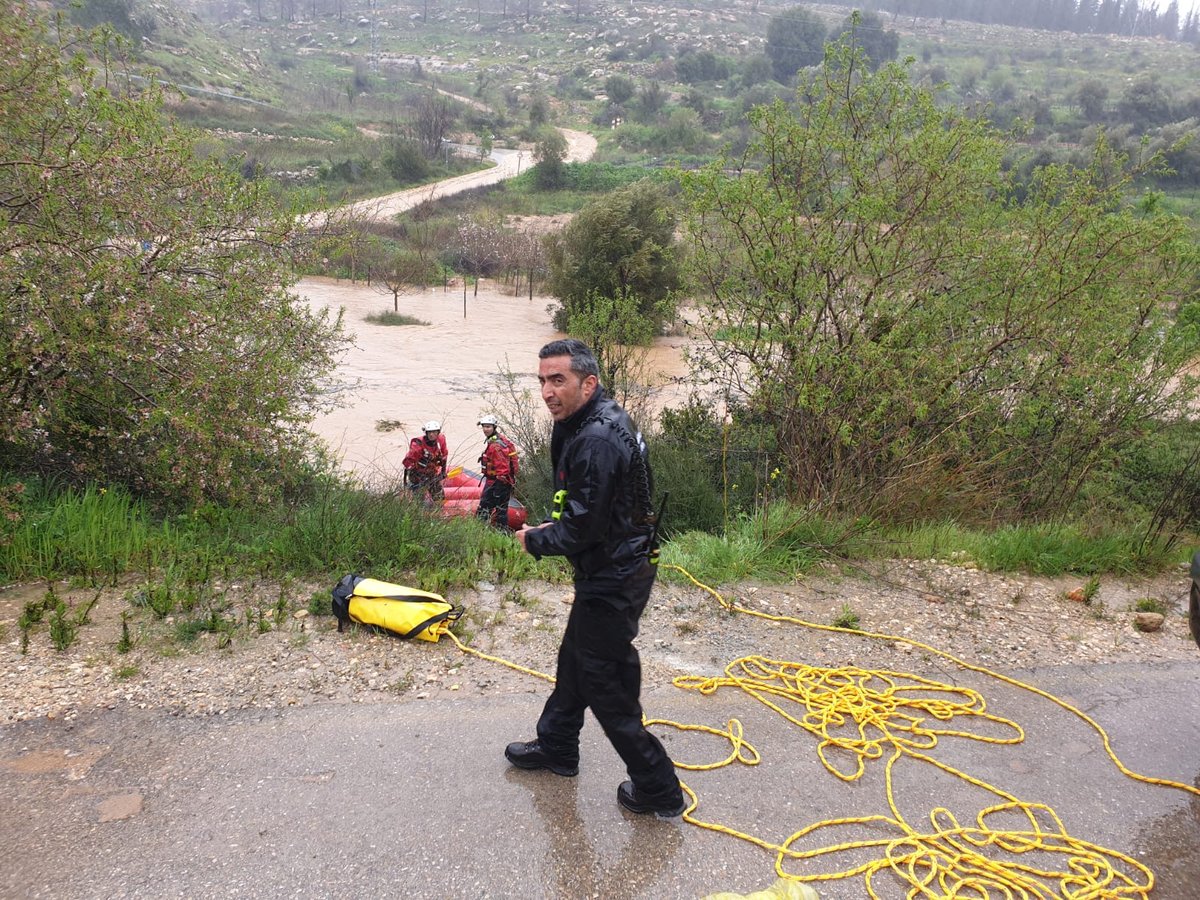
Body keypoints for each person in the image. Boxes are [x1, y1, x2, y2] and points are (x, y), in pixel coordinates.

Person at [505, 339, 685, 820]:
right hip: (615, 563)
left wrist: (536, 539)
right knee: (575, 662)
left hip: (615, 574)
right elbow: (587, 509)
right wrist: (557, 526)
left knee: (606, 683)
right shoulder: (588, 421)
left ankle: (658, 787)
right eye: (542, 380)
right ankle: (558, 746)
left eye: (557, 380)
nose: (547, 391)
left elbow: (580, 528)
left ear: (589, 382)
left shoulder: (597, 438)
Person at [476, 414, 518, 530]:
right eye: (484, 427)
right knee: (501, 510)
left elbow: (502, 469)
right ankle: (501, 533)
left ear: (494, 427)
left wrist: (499, 488)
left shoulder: (496, 445)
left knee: (484, 509)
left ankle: (480, 532)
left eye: (488, 427)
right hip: (503, 482)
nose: (485, 429)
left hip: (496, 482)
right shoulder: (500, 440)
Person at [402, 420, 448, 503]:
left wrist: (443, 472)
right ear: (426, 433)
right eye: (429, 432)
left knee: (439, 496)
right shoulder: (418, 443)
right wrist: (419, 476)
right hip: (417, 474)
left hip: (431, 472)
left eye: (434, 432)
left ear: (438, 433)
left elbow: (444, 456)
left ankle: (439, 510)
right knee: (418, 498)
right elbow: (408, 462)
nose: (431, 435)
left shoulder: (441, 440)